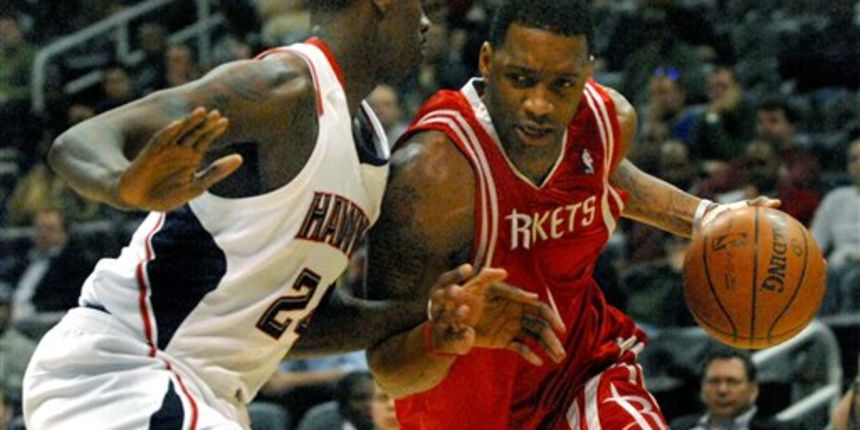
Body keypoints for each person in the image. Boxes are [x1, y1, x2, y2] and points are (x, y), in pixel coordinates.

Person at [23, 1, 563, 429]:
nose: (425, 21)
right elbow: (80, 141)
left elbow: (298, 325)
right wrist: (123, 185)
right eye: (419, 4)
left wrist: (432, 313)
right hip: (126, 369)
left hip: (206, 395)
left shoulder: (370, 147)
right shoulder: (281, 88)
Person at [363, 1, 776, 429]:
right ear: (486, 61)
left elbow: (610, 176)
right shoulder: (432, 175)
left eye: (563, 83)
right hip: (466, 413)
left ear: (587, 73)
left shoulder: (606, 121)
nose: (540, 104)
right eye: (521, 79)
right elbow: (388, 370)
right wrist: (442, 337)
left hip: (582, 376)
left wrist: (707, 216)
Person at [671, 347, 799, 430]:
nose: (722, 390)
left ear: (753, 390)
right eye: (714, 381)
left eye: (732, 382)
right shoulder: (678, 427)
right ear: (702, 388)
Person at [296, 371, 374, 430]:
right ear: (344, 403)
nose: (370, 404)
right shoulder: (319, 421)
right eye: (360, 398)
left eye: (377, 398)